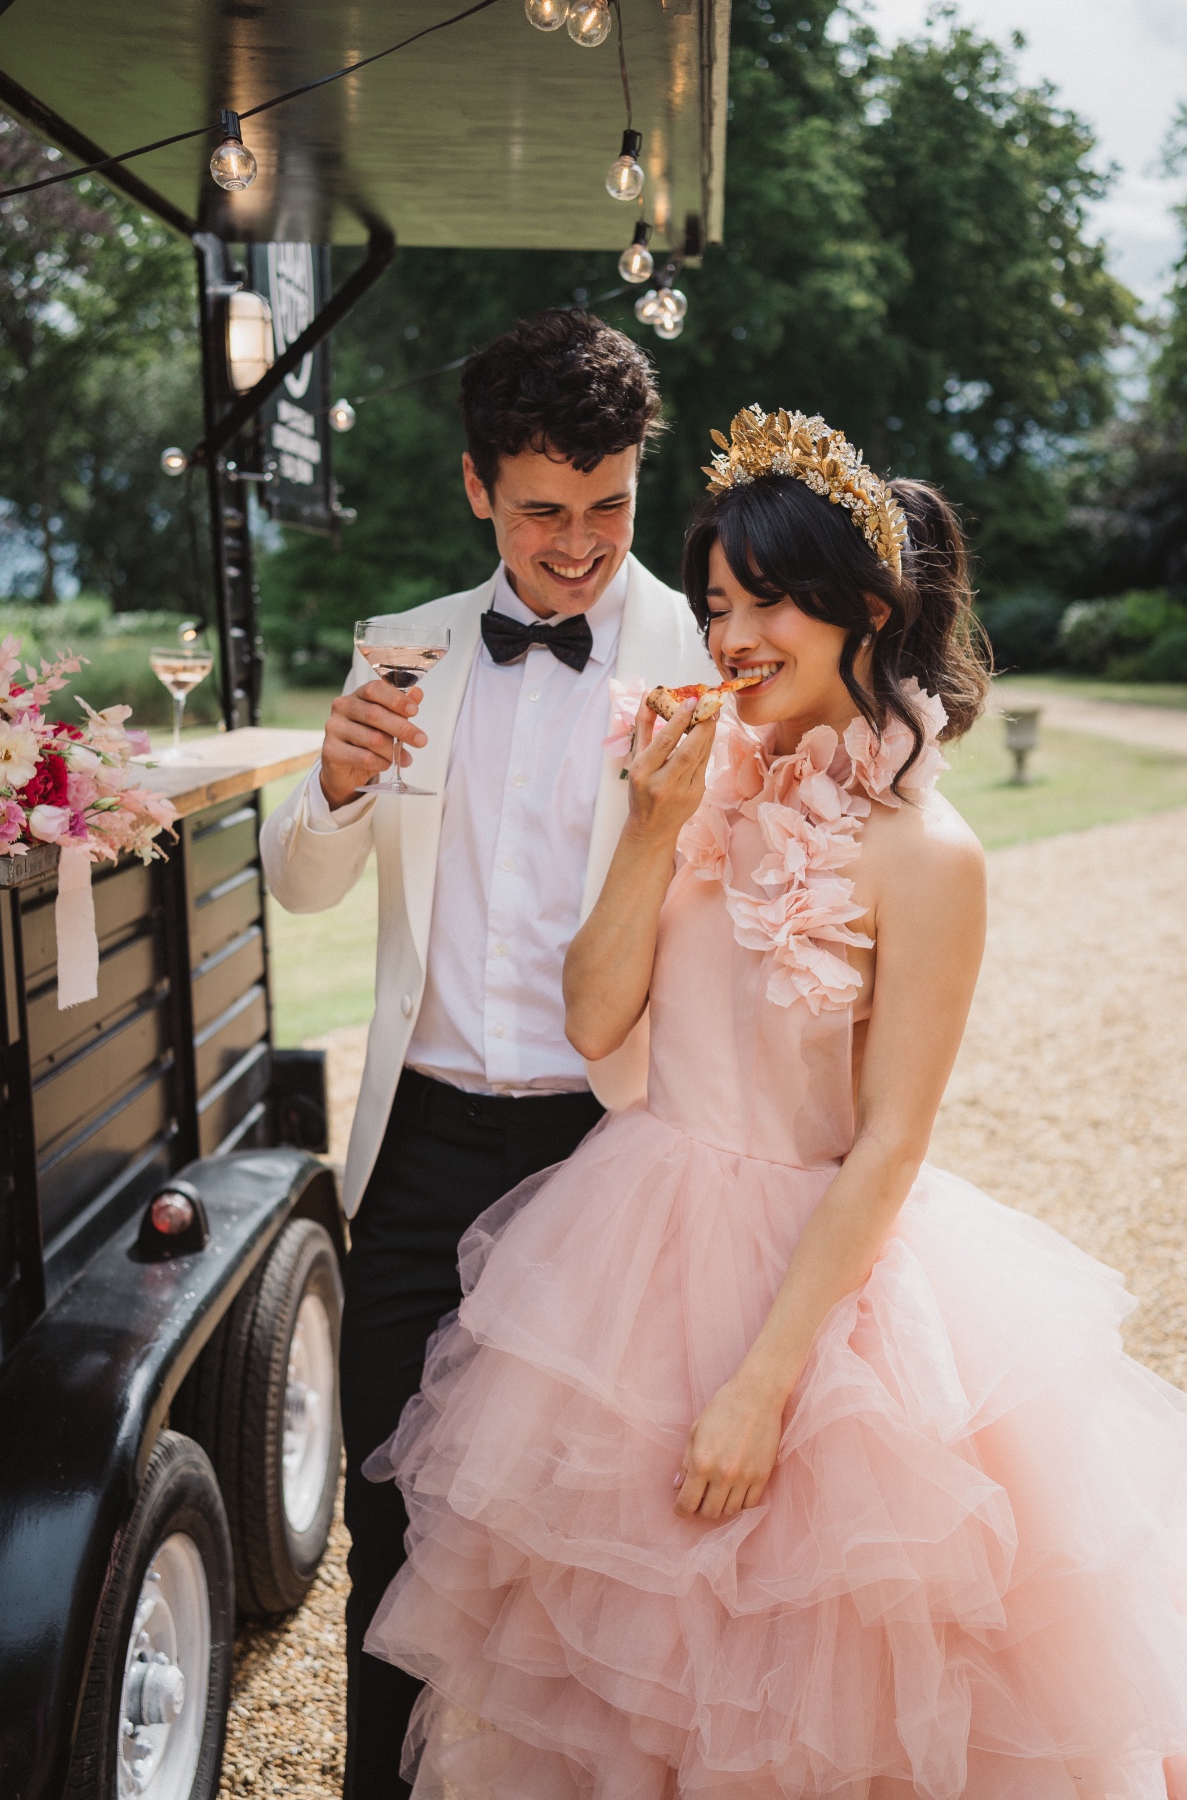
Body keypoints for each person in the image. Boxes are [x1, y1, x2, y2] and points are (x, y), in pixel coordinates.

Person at [363, 406, 1187, 1798]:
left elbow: (893, 1143)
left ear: (864, 609)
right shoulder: (700, 776)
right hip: (629, 1270)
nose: (730, 641)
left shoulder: (932, 856)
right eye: (720, 605)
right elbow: (593, 1020)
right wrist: (648, 830)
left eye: (763, 609)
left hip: (819, 1311)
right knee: (604, 1691)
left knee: (812, 1706)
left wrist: (761, 1388)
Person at [259, 308, 713, 1798]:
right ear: (474, 488)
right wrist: (326, 790)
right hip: (423, 1144)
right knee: (392, 1523)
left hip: (611, 1156)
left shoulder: (702, 656)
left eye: (608, 507)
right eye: (541, 512)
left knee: (597, 1552)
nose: (578, 548)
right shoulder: (410, 653)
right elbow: (306, 887)